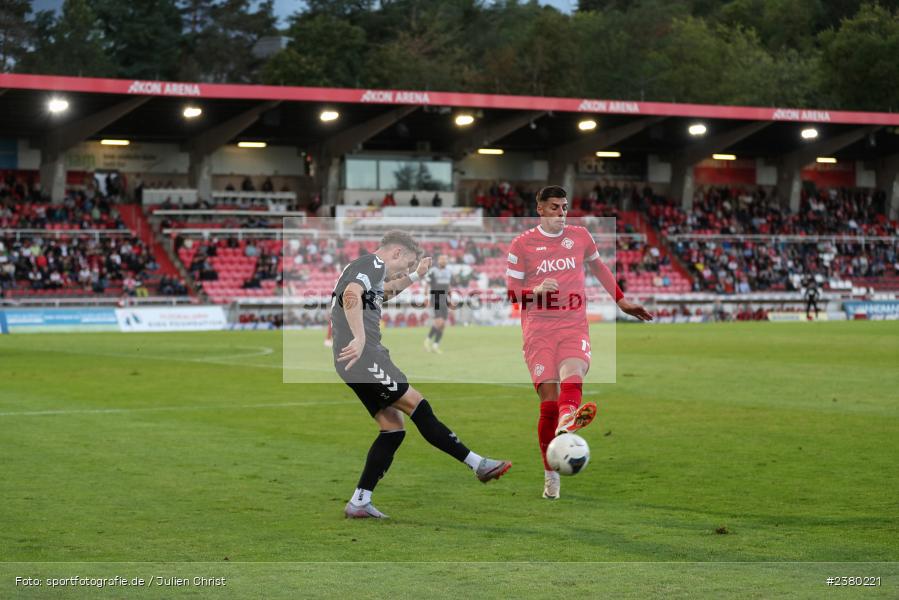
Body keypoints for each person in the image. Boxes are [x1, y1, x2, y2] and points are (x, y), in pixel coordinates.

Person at [332, 230, 511, 519]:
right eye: (406, 264)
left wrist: (416, 275)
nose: (403, 270)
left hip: (350, 360)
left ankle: (360, 501)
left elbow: (385, 293)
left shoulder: (369, 272)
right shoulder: (372, 265)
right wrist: (361, 338)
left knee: (393, 428)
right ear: (396, 253)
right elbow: (351, 294)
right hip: (364, 355)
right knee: (417, 405)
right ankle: (478, 464)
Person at [506, 185, 652, 500]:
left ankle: (568, 416)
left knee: (574, 371)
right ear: (540, 209)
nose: (561, 213)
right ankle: (551, 473)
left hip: (573, 324)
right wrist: (536, 292)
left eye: (565, 207)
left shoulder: (581, 236)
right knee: (548, 402)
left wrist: (621, 301)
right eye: (555, 207)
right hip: (538, 330)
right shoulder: (521, 245)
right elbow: (512, 293)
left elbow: (599, 267)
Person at [423, 254, 453, 354]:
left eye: (445, 259)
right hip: (435, 297)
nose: (444, 261)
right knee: (439, 322)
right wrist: (426, 298)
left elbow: (449, 286)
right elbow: (427, 285)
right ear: (438, 261)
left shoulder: (449, 272)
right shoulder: (433, 271)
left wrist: (450, 298)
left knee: (443, 325)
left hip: (444, 299)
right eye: (442, 259)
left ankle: (435, 345)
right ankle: (427, 340)